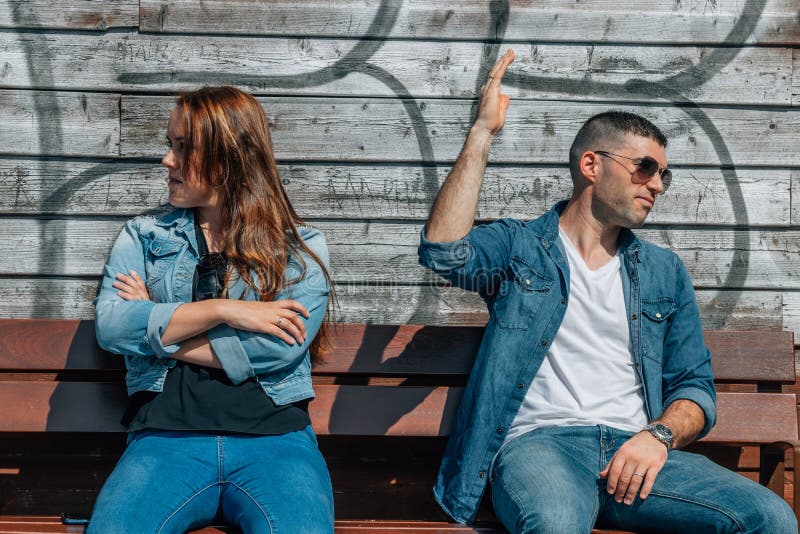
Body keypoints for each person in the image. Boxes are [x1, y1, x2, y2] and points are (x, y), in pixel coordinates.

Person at [418, 49, 797, 533]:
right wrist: (481, 135)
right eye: (644, 167)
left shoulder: (664, 271)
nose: (657, 184)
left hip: (636, 453)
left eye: (664, 174)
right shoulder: (520, 248)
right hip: (539, 446)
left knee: (770, 517)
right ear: (592, 165)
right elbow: (444, 252)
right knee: (555, 522)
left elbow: (694, 390)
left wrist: (656, 436)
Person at [89, 86, 334, 533]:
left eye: (184, 148)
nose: (168, 160)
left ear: (228, 159)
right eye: (171, 145)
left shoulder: (300, 250)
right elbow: (110, 326)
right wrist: (227, 310)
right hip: (165, 441)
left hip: (275, 442)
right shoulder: (142, 237)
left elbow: (277, 350)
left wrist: (158, 331)